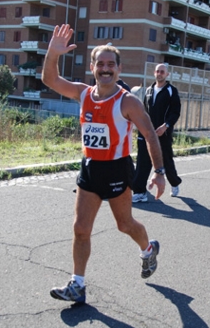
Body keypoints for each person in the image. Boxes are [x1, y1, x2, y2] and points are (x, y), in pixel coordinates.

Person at [42, 24, 165, 303]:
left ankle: (148, 249)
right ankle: (78, 284)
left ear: (119, 70)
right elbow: (50, 79)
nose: (105, 69)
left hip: (117, 169)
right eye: (100, 64)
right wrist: (53, 54)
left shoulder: (128, 102)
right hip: (90, 168)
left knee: (124, 225)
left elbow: (150, 136)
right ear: (93, 67)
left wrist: (159, 173)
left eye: (111, 64)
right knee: (80, 229)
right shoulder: (83, 93)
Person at [132, 63, 182, 202]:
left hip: (163, 134)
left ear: (167, 75)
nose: (159, 73)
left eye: (162, 71)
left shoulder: (172, 91)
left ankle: (174, 182)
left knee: (166, 160)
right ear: (154, 73)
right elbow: (144, 112)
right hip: (147, 133)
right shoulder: (148, 90)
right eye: (157, 71)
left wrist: (165, 126)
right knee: (142, 160)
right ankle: (139, 192)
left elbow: (175, 112)